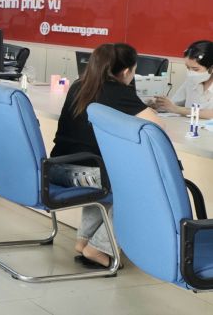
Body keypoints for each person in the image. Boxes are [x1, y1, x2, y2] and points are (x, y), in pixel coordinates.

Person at [49, 43, 162, 269]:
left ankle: (84, 241)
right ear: (127, 71)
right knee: (140, 189)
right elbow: (157, 126)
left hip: (55, 169)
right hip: (85, 174)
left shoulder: (80, 85)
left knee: (106, 177)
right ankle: (99, 248)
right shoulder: (118, 91)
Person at [153, 40, 213, 118]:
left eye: (195, 69)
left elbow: (211, 114)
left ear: (211, 68)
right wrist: (159, 105)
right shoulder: (191, 81)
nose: (190, 72)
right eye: (188, 67)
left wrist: (176, 109)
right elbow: (173, 104)